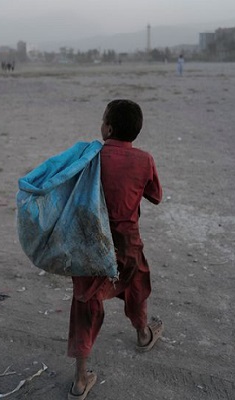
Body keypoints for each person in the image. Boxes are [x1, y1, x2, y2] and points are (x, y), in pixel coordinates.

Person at [67, 99, 164, 399]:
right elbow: (155, 196)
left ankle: (81, 380)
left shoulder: (92, 157)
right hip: (127, 241)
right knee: (137, 285)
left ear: (107, 128)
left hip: (92, 242)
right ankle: (143, 334)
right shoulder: (144, 160)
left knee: (86, 301)